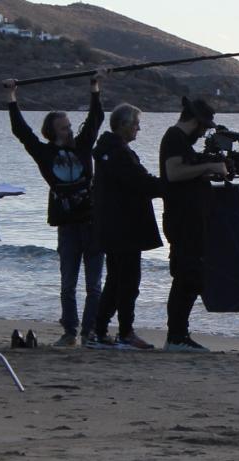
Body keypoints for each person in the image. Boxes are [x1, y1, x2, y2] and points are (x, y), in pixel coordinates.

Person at [3, 71, 107, 347]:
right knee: (68, 284)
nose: (69, 130)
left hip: (92, 222)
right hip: (67, 225)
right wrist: (11, 97)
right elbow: (21, 131)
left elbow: (96, 119)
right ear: (52, 132)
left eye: (69, 126)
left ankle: (89, 332)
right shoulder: (44, 153)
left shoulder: (83, 146)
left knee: (94, 285)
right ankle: (70, 332)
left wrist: (95, 87)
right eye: (63, 128)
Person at [87, 103, 164, 350]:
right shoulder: (118, 153)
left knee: (116, 280)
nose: (138, 129)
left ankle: (100, 331)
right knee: (128, 282)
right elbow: (140, 182)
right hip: (124, 228)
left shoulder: (109, 151)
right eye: (135, 124)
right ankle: (124, 332)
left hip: (114, 226)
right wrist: (171, 186)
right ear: (123, 125)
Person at [160, 97, 228, 352]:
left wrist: (206, 169)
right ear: (196, 122)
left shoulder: (181, 142)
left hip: (191, 220)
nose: (202, 134)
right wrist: (208, 166)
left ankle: (179, 334)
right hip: (182, 221)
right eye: (203, 128)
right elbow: (174, 173)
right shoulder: (174, 138)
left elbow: (185, 172)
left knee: (191, 277)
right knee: (186, 277)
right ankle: (176, 337)